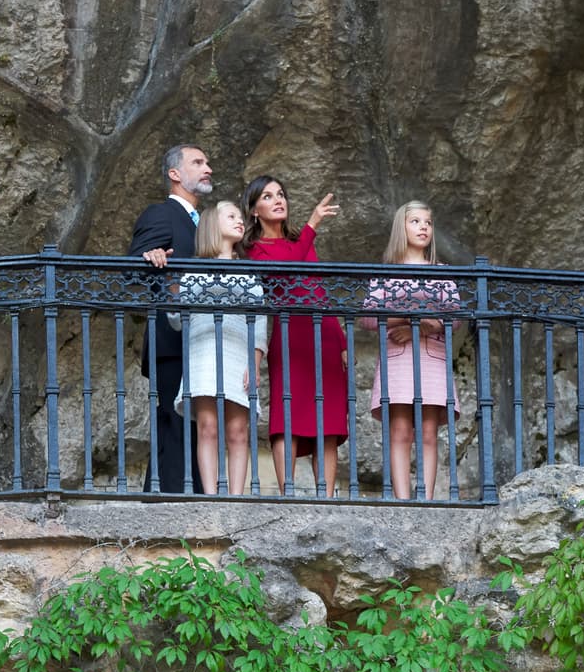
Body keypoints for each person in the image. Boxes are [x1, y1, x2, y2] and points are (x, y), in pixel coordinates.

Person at [240, 175, 347, 496]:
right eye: (268, 196)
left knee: (327, 421)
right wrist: (313, 224)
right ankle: (288, 495)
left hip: (324, 335)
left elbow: (319, 291)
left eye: (281, 194)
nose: (278, 200)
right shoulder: (254, 249)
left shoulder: (301, 240)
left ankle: (325, 498)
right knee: (287, 415)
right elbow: (286, 270)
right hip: (290, 337)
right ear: (254, 210)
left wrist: (341, 340)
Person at [361, 201, 462, 500]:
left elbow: (454, 317)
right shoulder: (385, 272)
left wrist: (425, 325)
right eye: (415, 221)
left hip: (432, 356)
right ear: (400, 228)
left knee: (429, 432)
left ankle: (427, 499)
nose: (423, 228)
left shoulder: (442, 272)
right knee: (401, 431)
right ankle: (404, 501)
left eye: (428, 223)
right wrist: (411, 318)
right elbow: (367, 317)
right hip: (399, 357)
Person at [128, 144, 212, 494]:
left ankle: (187, 495)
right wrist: (152, 255)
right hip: (171, 341)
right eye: (198, 162)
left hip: (202, 339)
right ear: (175, 174)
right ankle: (170, 501)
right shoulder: (161, 214)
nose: (208, 167)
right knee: (174, 424)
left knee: (198, 424)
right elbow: (133, 271)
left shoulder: (206, 224)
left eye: (207, 162)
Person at [169, 202, 267, 495]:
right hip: (203, 353)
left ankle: (236, 498)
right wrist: (172, 290)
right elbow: (176, 320)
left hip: (239, 353)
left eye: (240, 217)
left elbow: (259, 320)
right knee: (208, 427)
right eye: (232, 216)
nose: (240, 221)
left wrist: (255, 361)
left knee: (238, 431)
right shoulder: (193, 272)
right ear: (213, 225)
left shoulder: (248, 274)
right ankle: (211, 497)